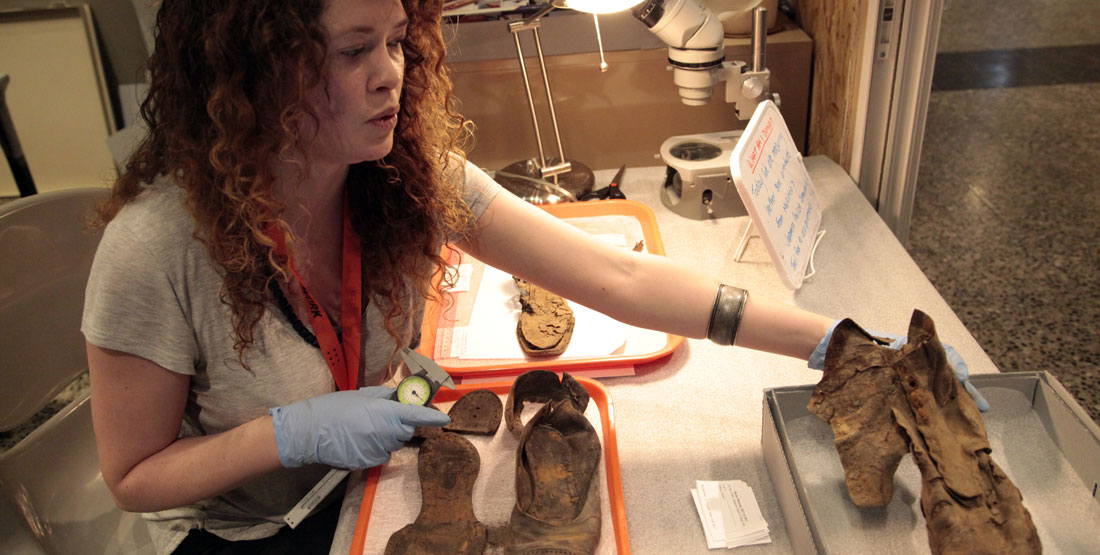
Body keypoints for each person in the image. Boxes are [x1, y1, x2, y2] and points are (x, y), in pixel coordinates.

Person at [81, 0, 982, 553]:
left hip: (377, 495)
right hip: (259, 532)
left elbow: (614, 279)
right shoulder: (154, 249)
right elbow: (132, 474)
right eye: (354, 50)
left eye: (398, 39)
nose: (390, 73)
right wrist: (292, 430)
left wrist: (828, 336)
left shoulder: (403, 177)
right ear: (256, 68)